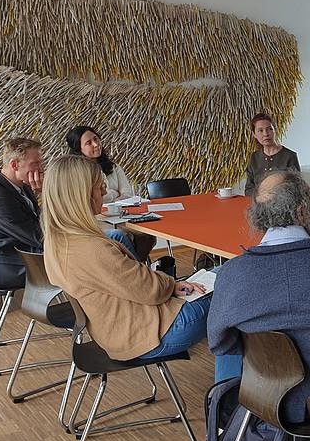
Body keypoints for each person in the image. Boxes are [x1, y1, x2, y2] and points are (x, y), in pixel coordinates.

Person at [208, 170, 310, 423]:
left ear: (258, 217)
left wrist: (265, 351)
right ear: (302, 211)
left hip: (263, 395)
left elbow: (219, 343)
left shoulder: (232, 273)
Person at [42, 155, 209, 362]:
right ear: (80, 195)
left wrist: (169, 284)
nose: (104, 192)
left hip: (117, 330)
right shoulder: (91, 249)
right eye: (98, 187)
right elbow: (150, 291)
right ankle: (235, 382)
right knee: (232, 283)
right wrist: (170, 283)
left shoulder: (56, 241)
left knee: (229, 286)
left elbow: (134, 283)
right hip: (150, 332)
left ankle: (232, 381)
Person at [65, 125, 155, 261]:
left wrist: (106, 195)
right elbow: (89, 200)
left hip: (120, 215)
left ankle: (139, 268)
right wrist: (114, 194)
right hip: (95, 219)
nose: (96, 144)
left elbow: (128, 194)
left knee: (147, 236)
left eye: (96, 139)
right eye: (89, 143)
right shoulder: (76, 173)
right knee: (123, 236)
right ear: (79, 149)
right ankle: (137, 271)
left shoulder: (113, 167)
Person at [0, 137, 45, 291]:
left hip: (32, 253)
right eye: (35, 164)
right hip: (21, 265)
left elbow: (39, 224)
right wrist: (46, 196)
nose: (41, 168)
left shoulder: (18, 185)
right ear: (14, 164)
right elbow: (41, 238)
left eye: (41, 162)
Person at [244, 113, 300, 197]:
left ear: (274, 130)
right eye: (260, 130)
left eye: (269, 129)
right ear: (254, 134)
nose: (265, 134)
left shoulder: (290, 156)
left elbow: (297, 186)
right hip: (258, 205)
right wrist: (261, 196)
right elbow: (248, 189)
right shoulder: (254, 158)